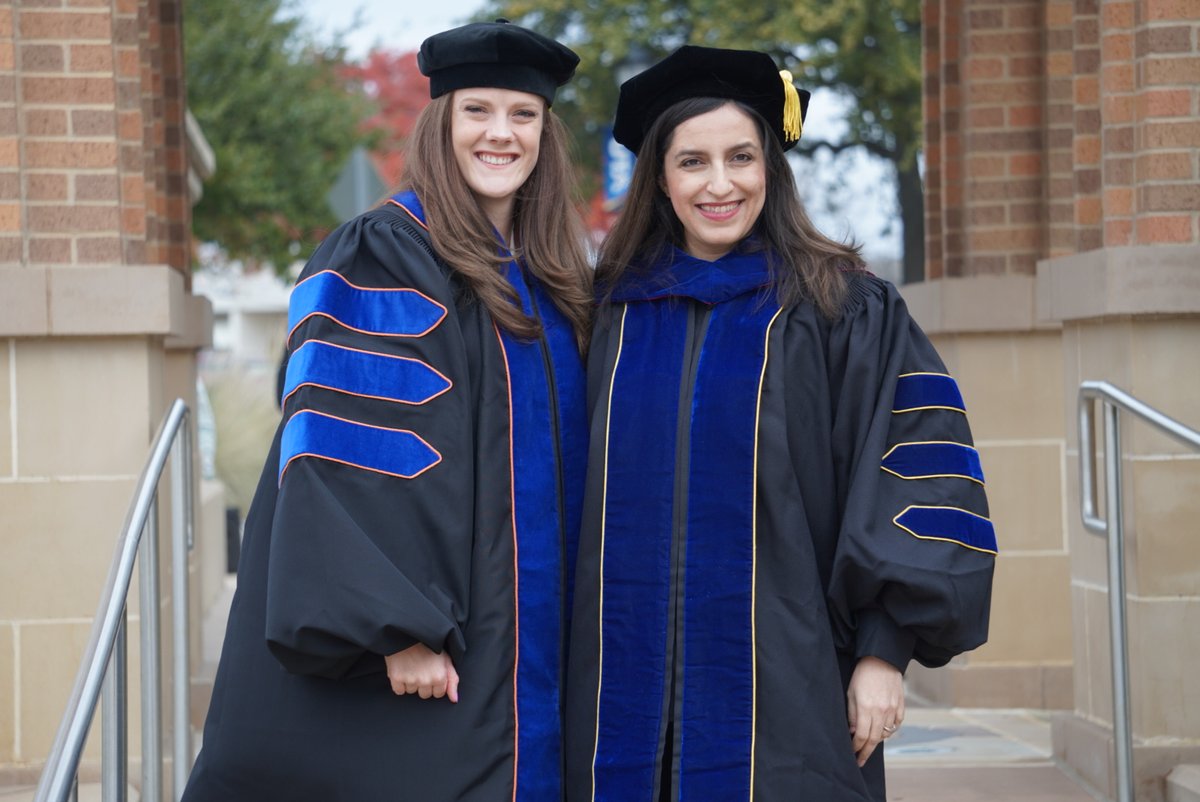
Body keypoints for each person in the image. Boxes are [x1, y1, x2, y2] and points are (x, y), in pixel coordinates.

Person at [564, 45, 996, 802]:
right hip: (616, 700)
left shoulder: (841, 309)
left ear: (772, 166)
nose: (720, 184)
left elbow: (914, 470)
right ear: (660, 180)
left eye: (741, 157)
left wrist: (884, 654)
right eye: (692, 162)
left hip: (790, 700)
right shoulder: (607, 314)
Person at [183, 20, 591, 802]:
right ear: (442, 124)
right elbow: (346, 447)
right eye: (478, 111)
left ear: (546, 131)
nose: (500, 133)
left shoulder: (552, 279)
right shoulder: (387, 251)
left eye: (523, 114)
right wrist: (396, 627)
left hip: (531, 646)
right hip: (432, 648)